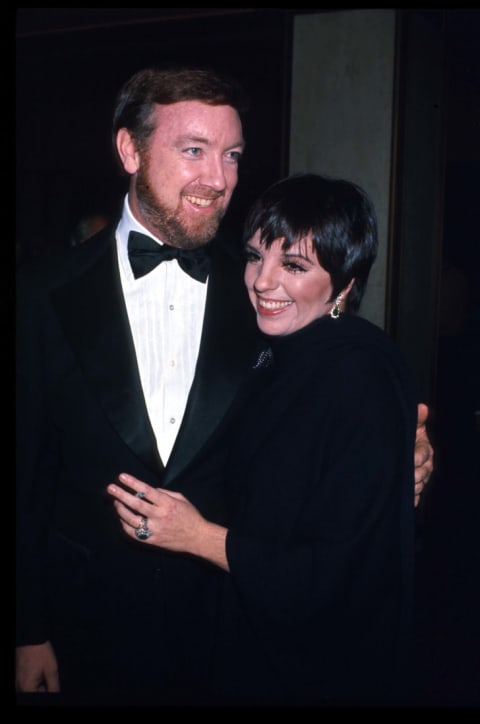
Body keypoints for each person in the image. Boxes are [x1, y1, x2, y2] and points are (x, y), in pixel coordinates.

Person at [16, 66, 433, 706]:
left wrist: (394, 463)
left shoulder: (265, 305)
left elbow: (313, 430)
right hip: (83, 627)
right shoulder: (40, 295)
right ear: (130, 150)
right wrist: (26, 628)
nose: (218, 179)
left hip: (228, 631)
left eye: (232, 155)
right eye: (193, 151)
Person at [106, 172, 419, 706]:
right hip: (249, 639)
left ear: (344, 284)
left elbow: (334, 574)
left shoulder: (357, 374)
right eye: (255, 256)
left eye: (294, 266)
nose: (262, 281)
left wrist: (197, 536)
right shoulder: (281, 351)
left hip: (314, 668)